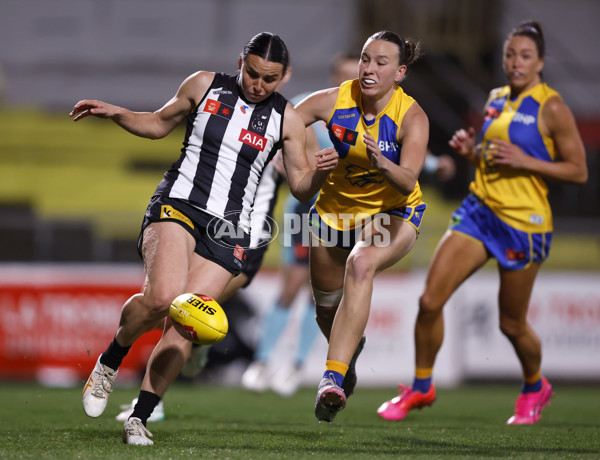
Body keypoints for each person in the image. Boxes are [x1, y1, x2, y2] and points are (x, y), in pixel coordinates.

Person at [71, 31, 338, 446]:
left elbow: (301, 184)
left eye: (269, 79)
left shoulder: (287, 118)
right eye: (252, 73)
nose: (258, 85)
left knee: (186, 322)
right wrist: (118, 113)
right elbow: (159, 123)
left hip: (230, 229)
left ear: (283, 77)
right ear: (240, 62)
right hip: (178, 204)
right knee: (162, 299)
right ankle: (111, 359)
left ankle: (139, 417)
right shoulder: (203, 85)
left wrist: (320, 171)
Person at [376, 21, 588, 425]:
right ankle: (421, 386)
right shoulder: (495, 99)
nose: (515, 63)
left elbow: (578, 171)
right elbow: (495, 159)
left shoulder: (552, 107)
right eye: (510, 54)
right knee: (429, 301)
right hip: (479, 211)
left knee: (510, 323)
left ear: (540, 61)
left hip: (523, 224)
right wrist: (472, 153)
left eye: (525, 56)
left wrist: (527, 161)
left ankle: (534, 386)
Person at [294, 30, 430, 423]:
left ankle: (330, 379)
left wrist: (383, 163)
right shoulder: (336, 99)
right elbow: (288, 121)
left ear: (400, 72)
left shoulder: (412, 116)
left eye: (381, 62)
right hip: (333, 215)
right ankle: (348, 358)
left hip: (392, 213)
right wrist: (298, 157)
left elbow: (408, 180)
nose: (369, 68)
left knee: (362, 263)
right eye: (365, 59)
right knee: (325, 310)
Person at [240, 52, 362, 397]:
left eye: (354, 76)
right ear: (333, 74)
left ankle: (294, 367)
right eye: (342, 75)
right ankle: (262, 362)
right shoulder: (313, 107)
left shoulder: (373, 116)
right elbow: (279, 129)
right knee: (291, 285)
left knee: (320, 296)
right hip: (304, 211)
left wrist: (432, 165)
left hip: (344, 214)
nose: (347, 83)